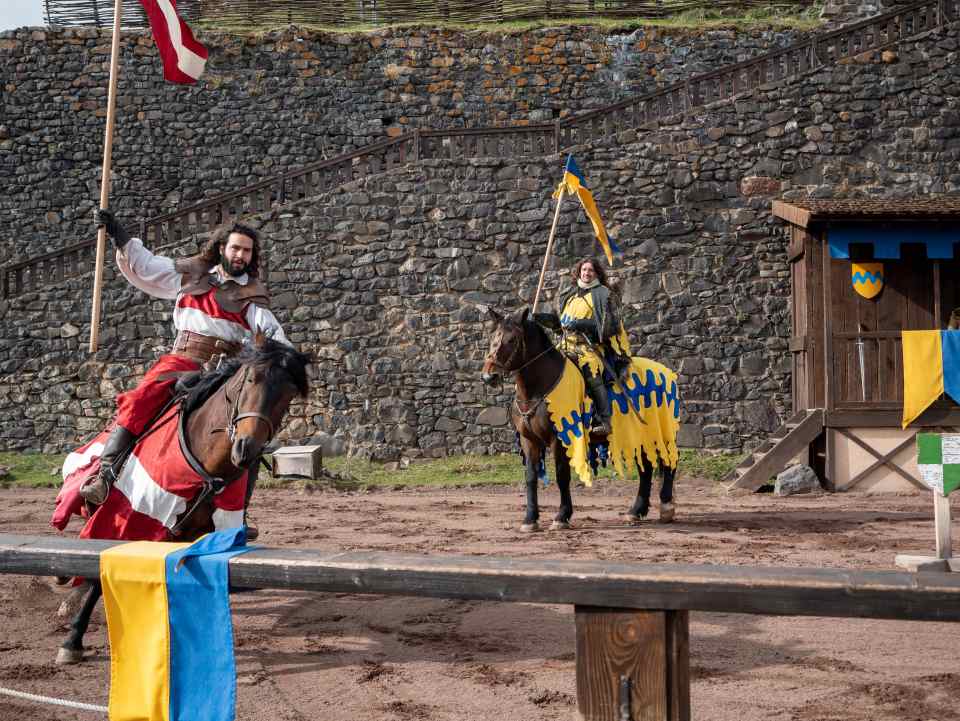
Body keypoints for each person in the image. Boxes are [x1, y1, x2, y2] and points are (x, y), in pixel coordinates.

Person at [79, 209, 290, 509]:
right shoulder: (191, 275)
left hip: (226, 373)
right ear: (222, 248)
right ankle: (105, 474)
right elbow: (148, 265)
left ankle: (237, 512)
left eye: (246, 250)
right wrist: (118, 232)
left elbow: (276, 338)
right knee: (141, 398)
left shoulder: (253, 297)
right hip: (183, 360)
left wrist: (289, 361)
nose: (241, 254)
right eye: (236, 247)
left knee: (248, 432)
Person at [535, 257, 631, 435]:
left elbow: (612, 325)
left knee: (592, 374)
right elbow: (561, 324)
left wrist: (584, 324)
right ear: (579, 271)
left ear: (596, 273)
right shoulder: (569, 293)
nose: (587, 273)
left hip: (590, 347)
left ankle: (604, 420)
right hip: (565, 345)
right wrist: (545, 320)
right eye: (584, 270)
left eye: (590, 270)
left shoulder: (604, 294)